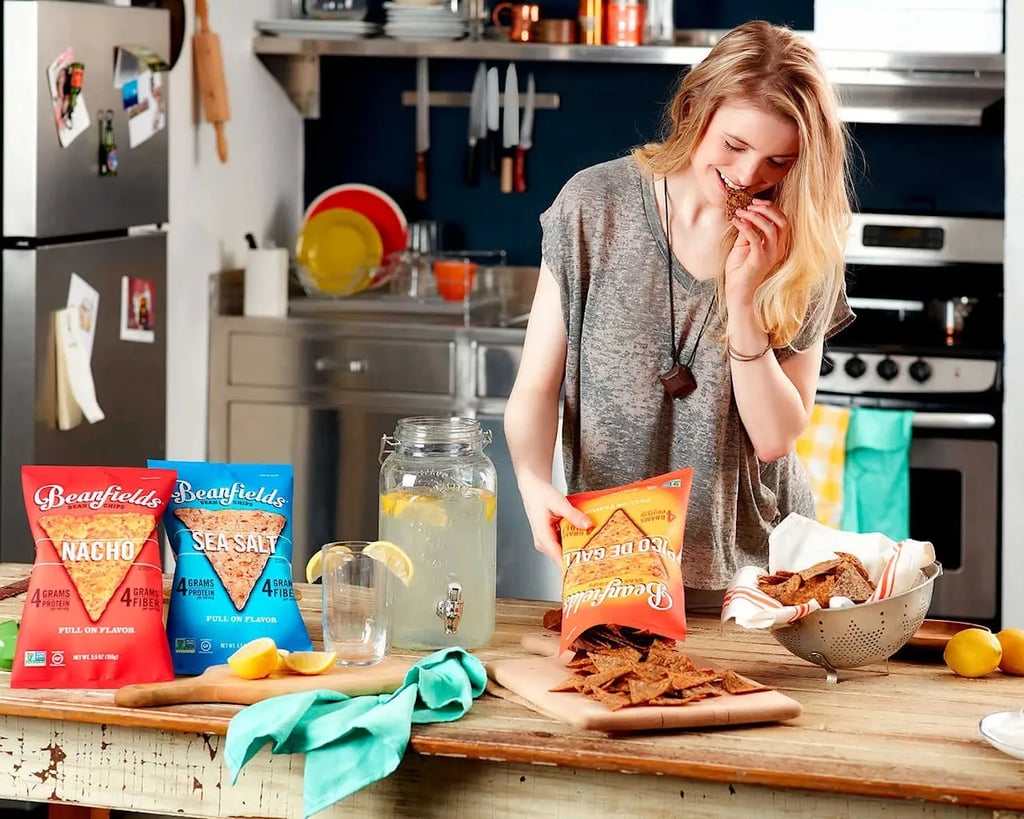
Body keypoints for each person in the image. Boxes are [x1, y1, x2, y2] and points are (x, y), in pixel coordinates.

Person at [504, 20, 855, 614]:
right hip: (615, 562)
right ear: (694, 109)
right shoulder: (594, 207)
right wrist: (533, 483)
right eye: (734, 147)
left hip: (759, 579)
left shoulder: (804, 247)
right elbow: (536, 389)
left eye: (779, 161)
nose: (749, 178)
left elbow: (774, 439)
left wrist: (743, 305)